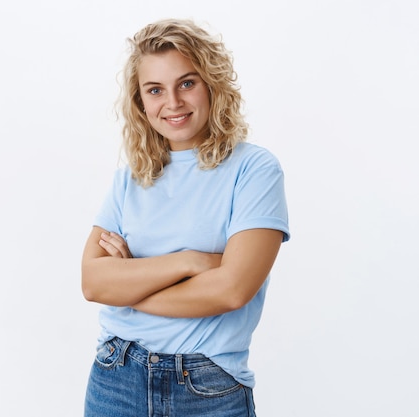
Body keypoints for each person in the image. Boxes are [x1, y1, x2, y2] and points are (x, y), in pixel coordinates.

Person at [81, 18, 290, 417]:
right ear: (140, 101)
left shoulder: (255, 170)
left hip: (207, 386)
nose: (172, 102)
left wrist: (130, 286)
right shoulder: (130, 177)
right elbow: (93, 283)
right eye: (155, 90)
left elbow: (230, 291)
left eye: (187, 83)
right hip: (116, 376)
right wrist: (189, 263)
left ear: (212, 85)